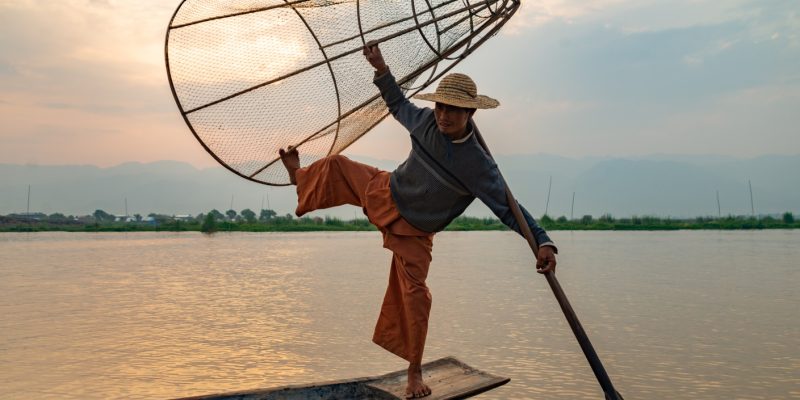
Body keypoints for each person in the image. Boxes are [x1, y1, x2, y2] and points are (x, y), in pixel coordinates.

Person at [279, 42, 557, 399]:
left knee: (415, 298)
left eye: (454, 111)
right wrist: (380, 68)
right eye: (441, 107)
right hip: (385, 190)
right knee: (337, 166)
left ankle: (414, 374)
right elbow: (398, 104)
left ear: (470, 114)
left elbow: (508, 207)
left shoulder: (478, 165)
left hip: (416, 231)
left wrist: (542, 241)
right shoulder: (426, 122)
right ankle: (299, 177)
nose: (444, 116)